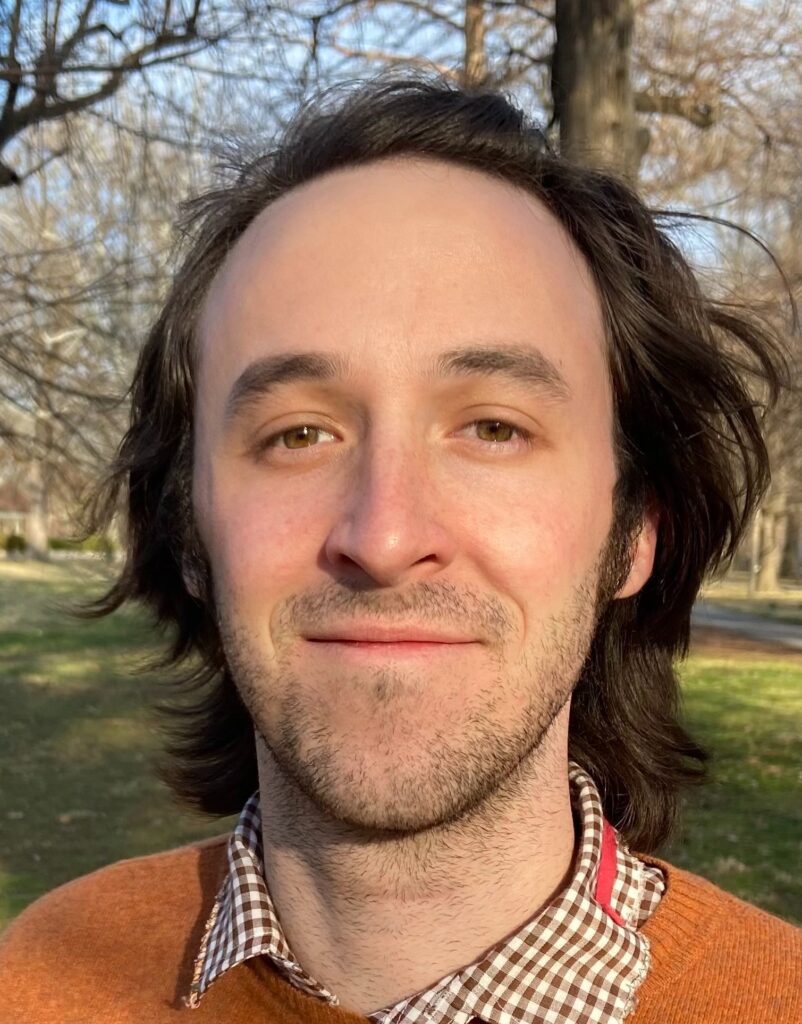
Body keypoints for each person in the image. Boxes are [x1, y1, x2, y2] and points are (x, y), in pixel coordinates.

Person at [1, 75, 799, 1024]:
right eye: (297, 435)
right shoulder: (38, 980)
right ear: (189, 533)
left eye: (494, 428)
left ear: (636, 531)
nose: (383, 538)